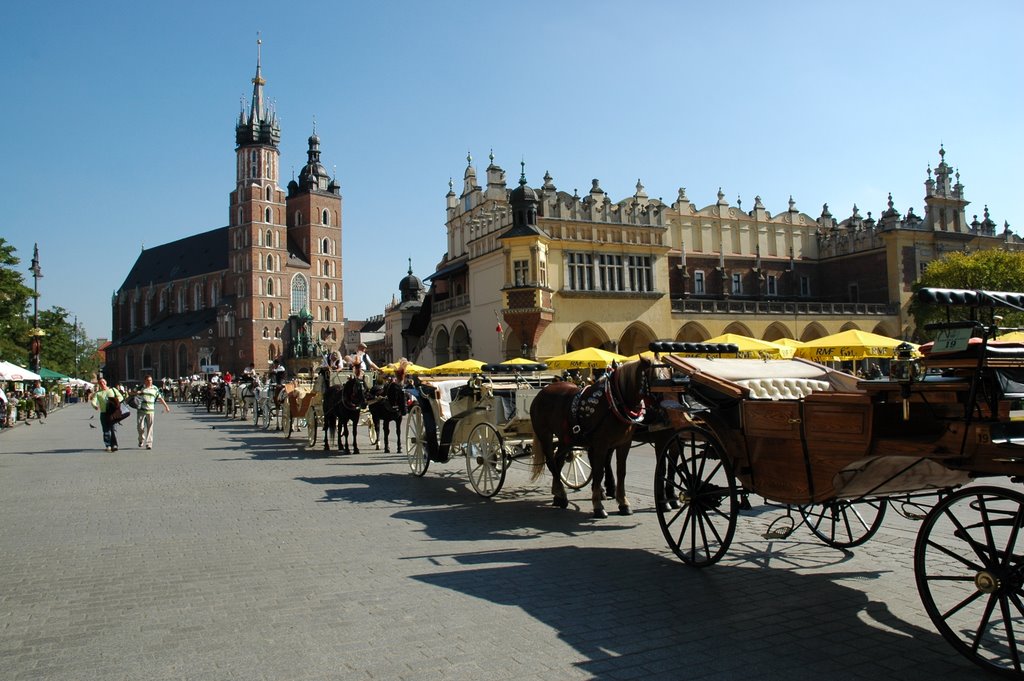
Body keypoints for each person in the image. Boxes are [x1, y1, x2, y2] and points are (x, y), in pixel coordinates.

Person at [136, 374, 171, 449]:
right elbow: (131, 393)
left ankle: (149, 443)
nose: (149, 382)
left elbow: (160, 398)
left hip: (150, 410)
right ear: (145, 381)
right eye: (148, 380)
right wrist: (137, 393)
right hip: (141, 410)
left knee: (150, 427)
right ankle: (141, 439)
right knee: (140, 426)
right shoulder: (141, 387)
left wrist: (166, 406)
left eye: (151, 380)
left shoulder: (155, 388)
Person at [91, 378, 125, 452]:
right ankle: (108, 445)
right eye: (100, 383)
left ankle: (114, 444)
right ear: (99, 384)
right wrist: (95, 406)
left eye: (103, 382)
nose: (102, 383)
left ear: (106, 382)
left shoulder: (112, 390)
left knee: (113, 429)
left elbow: (121, 397)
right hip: (104, 413)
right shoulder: (98, 393)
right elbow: (93, 401)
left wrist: (116, 402)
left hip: (113, 412)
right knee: (106, 430)